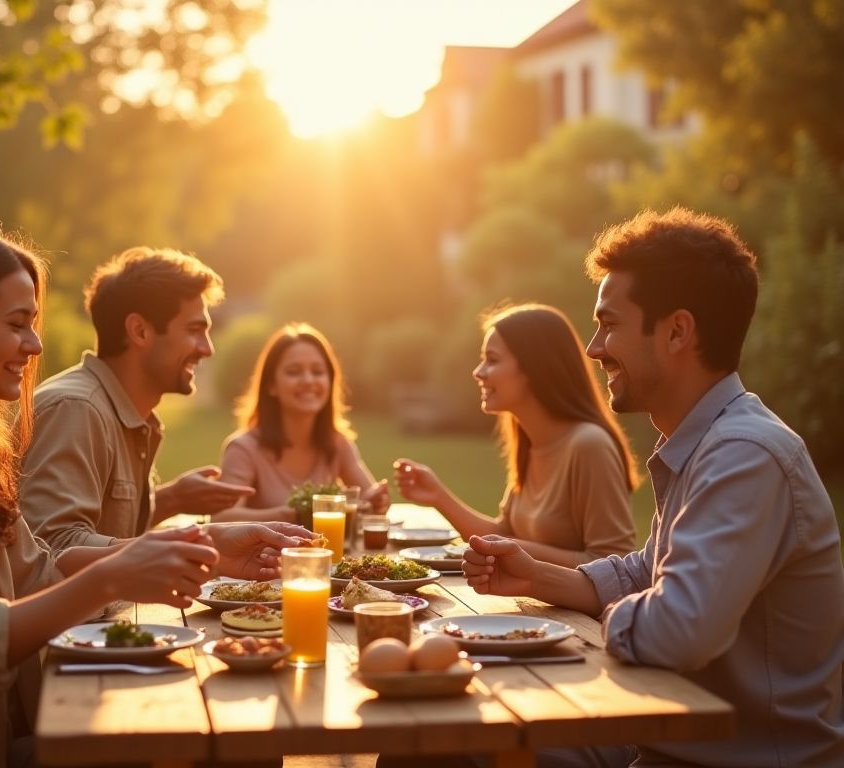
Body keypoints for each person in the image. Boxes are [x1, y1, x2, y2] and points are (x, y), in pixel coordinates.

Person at [0, 220, 310, 767]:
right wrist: (114, 574)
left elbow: (41, 571)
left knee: (239, 742)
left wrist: (209, 545)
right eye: (17, 324)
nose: (34, 345)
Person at [463, 208, 844, 766]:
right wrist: (539, 576)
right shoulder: (705, 442)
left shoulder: (745, 454)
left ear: (677, 331)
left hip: (734, 757)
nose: (594, 348)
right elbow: (648, 570)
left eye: (609, 324)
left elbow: (678, 631)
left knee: (461, 747)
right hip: (671, 737)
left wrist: (599, 621)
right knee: (461, 738)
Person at [19, 246, 255, 552]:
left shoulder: (123, 413)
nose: (207, 349)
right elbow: (54, 548)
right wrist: (192, 546)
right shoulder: (76, 410)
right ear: (140, 331)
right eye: (195, 330)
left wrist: (173, 499)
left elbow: (102, 529)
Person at [394, 303, 637, 567]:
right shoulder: (529, 441)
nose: (478, 372)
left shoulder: (589, 445)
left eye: (493, 359)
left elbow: (614, 563)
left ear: (534, 368)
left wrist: (514, 549)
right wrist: (438, 497)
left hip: (579, 611)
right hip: (533, 607)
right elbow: (502, 535)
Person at [215, 322, 389, 523]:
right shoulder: (244, 449)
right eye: (294, 371)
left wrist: (377, 502)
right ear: (271, 385)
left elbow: (368, 501)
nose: (308, 380)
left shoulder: (338, 444)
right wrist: (293, 514)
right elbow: (222, 518)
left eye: (317, 372)